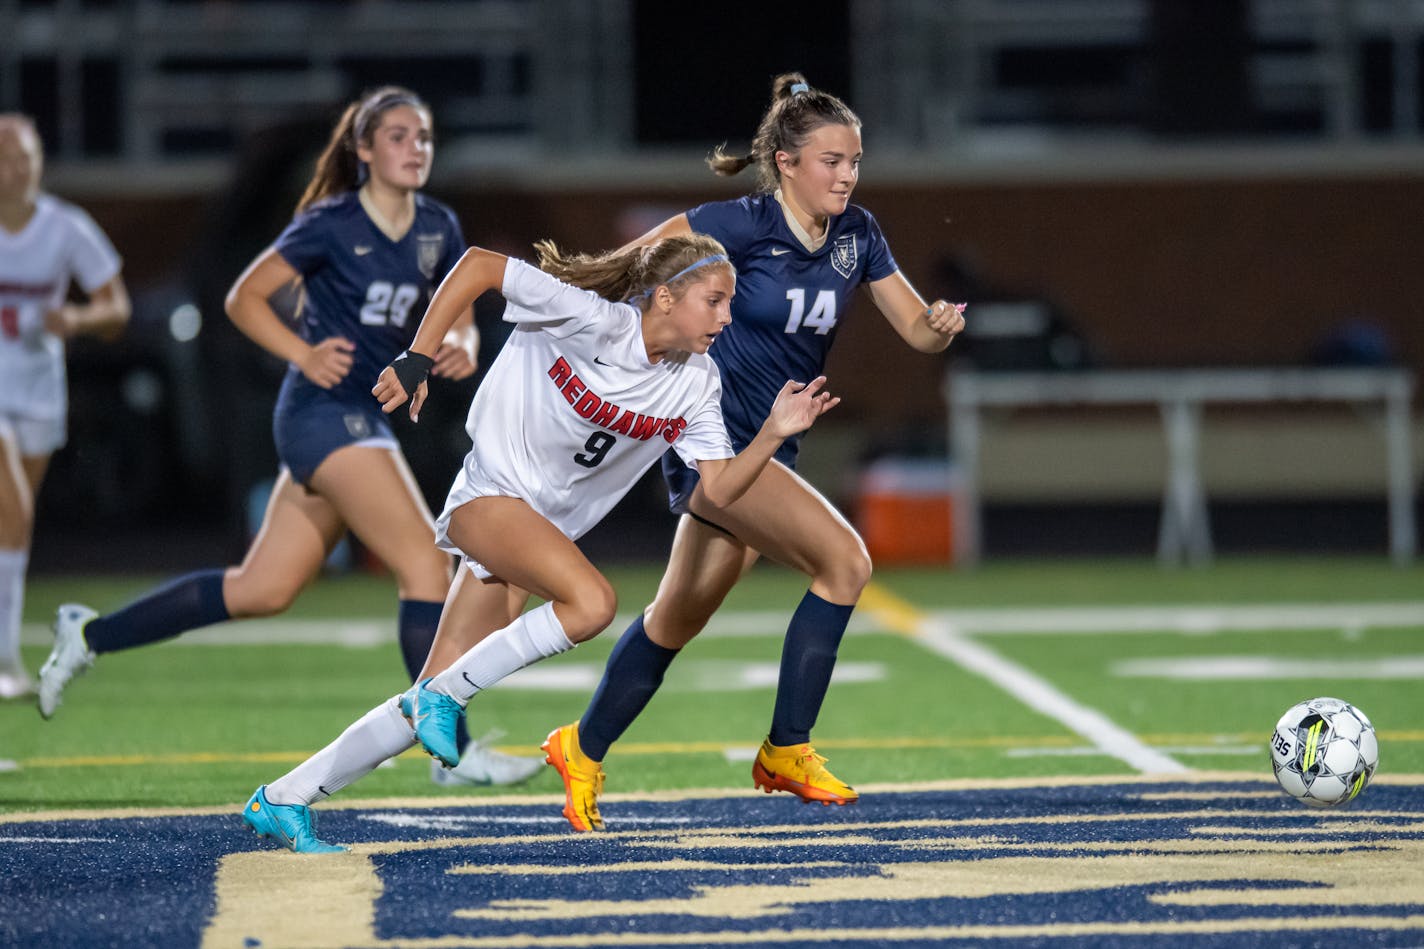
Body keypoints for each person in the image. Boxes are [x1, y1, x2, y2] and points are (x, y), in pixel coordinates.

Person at [241, 233, 838, 853]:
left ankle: (284, 797)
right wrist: (418, 357)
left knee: (422, 702)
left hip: (531, 540)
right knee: (591, 604)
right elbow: (477, 266)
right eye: (715, 301)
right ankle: (441, 697)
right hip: (487, 499)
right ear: (665, 298)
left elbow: (719, 487)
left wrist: (771, 433)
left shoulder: (696, 382)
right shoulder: (587, 317)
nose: (726, 316)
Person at [35, 87, 540, 785]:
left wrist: (456, 341)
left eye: (422, 136)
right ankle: (449, 750)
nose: (415, 148)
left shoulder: (436, 224)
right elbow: (243, 296)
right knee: (427, 565)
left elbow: (452, 306)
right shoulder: (330, 222)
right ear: (363, 150)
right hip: (322, 411)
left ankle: (89, 632)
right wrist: (302, 353)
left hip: (356, 417)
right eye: (398, 136)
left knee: (261, 588)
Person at [544, 72, 966, 831]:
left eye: (856, 161)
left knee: (675, 619)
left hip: (774, 446)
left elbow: (913, 328)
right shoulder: (732, 225)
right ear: (785, 164)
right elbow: (631, 266)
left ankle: (581, 745)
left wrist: (938, 324)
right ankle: (786, 747)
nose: (847, 175)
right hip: (714, 442)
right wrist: (557, 303)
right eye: (832, 161)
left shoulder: (858, 234)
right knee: (846, 563)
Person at [0, 113, 131, 700]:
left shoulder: (64, 227)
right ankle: (3, 662)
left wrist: (74, 317)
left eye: (24, 156)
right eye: (5, 157)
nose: (16, 169)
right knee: (14, 511)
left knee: (14, 533)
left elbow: (116, 308)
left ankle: (5, 660)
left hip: (38, 389)